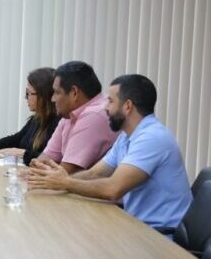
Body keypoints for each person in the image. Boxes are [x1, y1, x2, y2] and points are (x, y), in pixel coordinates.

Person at [28, 74, 192, 232]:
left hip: (161, 235)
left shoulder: (151, 138)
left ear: (127, 106)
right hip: (137, 226)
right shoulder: (127, 136)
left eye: (111, 101)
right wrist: (55, 180)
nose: (105, 108)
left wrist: (66, 183)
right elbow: (95, 173)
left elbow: (113, 189)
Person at [33, 61, 118, 173]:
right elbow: (43, 161)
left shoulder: (94, 115)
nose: (53, 99)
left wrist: (41, 171)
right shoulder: (69, 113)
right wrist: (39, 169)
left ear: (74, 93)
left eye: (57, 92)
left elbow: (65, 174)